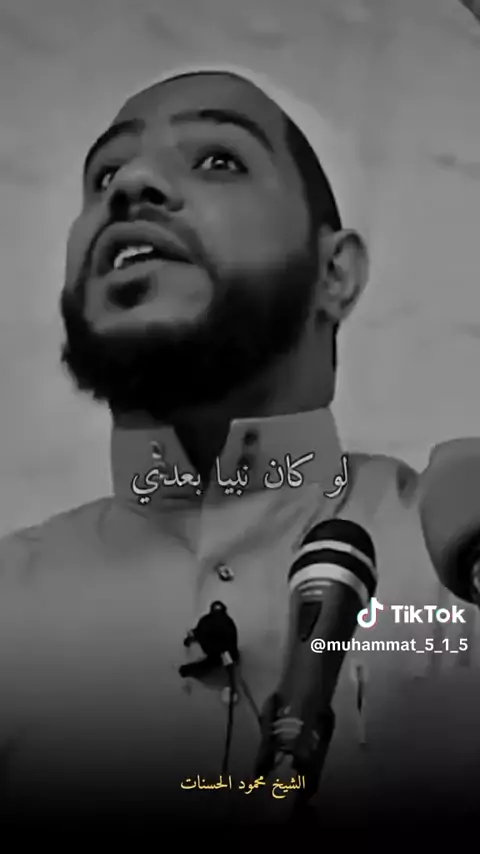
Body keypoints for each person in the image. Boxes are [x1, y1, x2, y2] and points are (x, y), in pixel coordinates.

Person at [0, 63, 479, 836]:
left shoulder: (457, 552)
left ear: (335, 272)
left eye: (218, 159)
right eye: (105, 175)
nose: (132, 186)